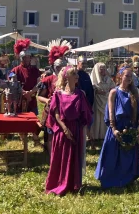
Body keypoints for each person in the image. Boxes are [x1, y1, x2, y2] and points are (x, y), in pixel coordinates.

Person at [45, 65, 93, 195]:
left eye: (77, 74)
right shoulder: (58, 94)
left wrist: (84, 131)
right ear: (67, 77)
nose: (77, 76)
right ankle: (58, 183)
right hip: (62, 130)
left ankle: (73, 183)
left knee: (73, 157)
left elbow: (86, 115)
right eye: (74, 74)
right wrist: (65, 128)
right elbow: (55, 113)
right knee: (61, 157)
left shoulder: (80, 94)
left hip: (75, 130)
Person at [95, 68, 139, 188]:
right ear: (120, 76)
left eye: (131, 76)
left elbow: (138, 113)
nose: (129, 78)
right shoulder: (114, 92)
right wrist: (113, 128)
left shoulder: (134, 92)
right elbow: (110, 112)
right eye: (127, 76)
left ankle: (128, 179)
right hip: (117, 126)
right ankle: (111, 178)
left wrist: (137, 127)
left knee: (129, 153)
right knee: (112, 153)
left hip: (130, 127)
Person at [90, 62, 116, 143]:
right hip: (97, 101)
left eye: (104, 69)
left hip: (106, 100)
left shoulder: (108, 79)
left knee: (105, 117)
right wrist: (96, 91)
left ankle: (104, 135)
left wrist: (109, 92)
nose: (103, 71)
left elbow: (113, 87)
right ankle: (96, 135)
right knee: (97, 118)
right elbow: (92, 89)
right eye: (101, 69)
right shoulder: (93, 79)